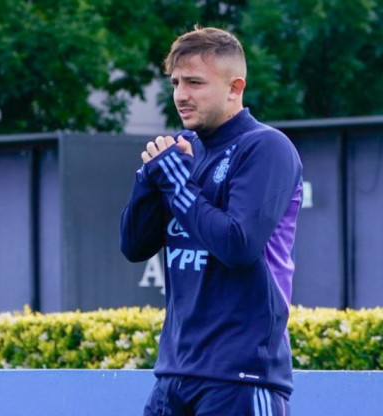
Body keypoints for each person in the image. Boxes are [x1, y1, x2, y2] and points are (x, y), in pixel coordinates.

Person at [120, 26, 303, 416]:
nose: (181, 95)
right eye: (175, 82)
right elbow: (133, 246)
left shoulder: (266, 147)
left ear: (235, 88)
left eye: (195, 82)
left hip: (243, 378)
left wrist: (174, 180)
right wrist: (149, 180)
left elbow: (238, 246)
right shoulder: (186, 152)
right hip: (174, 375)